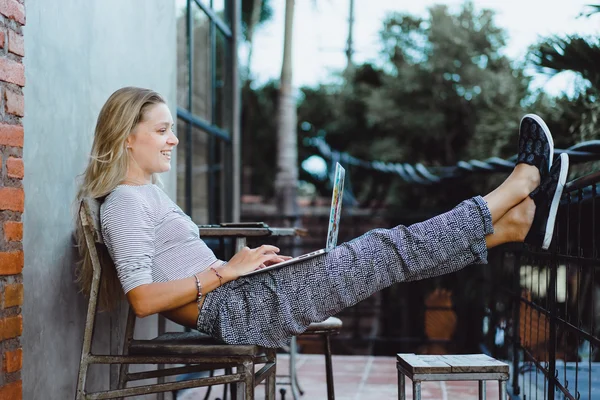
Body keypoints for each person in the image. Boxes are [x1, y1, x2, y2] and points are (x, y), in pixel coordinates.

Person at [75, 87, 569, 348]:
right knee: (385, 248)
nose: (174, 140)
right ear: (126, 137)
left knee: (388, 255)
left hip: (245, 297)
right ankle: (516, 187)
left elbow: (176, 270)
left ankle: (507, 228)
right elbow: (141, 299)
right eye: (162, 130)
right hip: (239, 312)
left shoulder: (147, 194)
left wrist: (247, 268)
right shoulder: (123, 203)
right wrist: (225, 271)